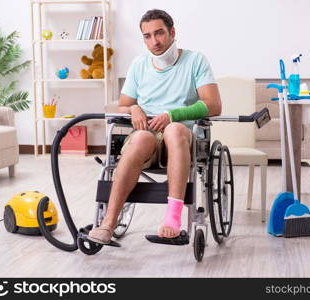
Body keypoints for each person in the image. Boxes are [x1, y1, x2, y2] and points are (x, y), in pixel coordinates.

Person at [87, 9, 222, 244]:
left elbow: (213, 105)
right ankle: (108, 222)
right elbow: (123, 106)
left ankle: (172, 219)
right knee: (141, 138)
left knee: (175, 129)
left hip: (180, 139)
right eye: (147, 36)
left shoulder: (195, 60)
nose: (154, 41)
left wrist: (173, 115)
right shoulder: (139, 64)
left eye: (159, 33)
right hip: (147, 137)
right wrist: (134, 109)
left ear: (172, 32)